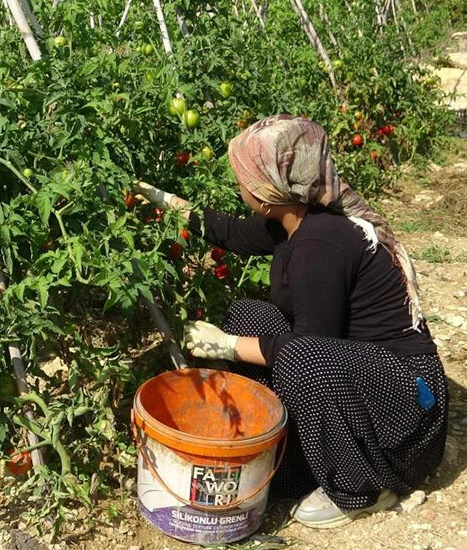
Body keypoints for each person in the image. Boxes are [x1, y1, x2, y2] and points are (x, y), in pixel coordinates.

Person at [179, 114, 448, 529]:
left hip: (404, 414)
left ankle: (361, 488)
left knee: (301, 355)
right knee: (245, 315)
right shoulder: (291, 220)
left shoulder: (322, 242)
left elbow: (309, 344)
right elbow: (228, 232)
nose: (239, 186)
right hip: (361, 378)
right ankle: (307, 448)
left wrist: (227, 346)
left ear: (268, 195)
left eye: (244, 178)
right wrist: (161, 202)